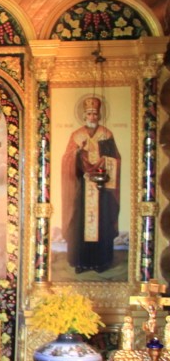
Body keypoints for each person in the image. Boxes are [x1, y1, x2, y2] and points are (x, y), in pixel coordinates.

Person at [60, 96, 121, 274]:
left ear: (99, 115)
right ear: (84, 115)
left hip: (102, 190)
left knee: (102, 223)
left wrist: (104, 160)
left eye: (95, 113)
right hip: (82, 186)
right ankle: (80, 262)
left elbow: (115, 158)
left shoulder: (106, 134)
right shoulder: (76, 135)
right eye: (89, 113)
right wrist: (78, 152)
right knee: (79, 224)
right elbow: (66, 160)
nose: (92, 117)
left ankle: (101, 262)